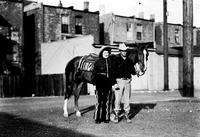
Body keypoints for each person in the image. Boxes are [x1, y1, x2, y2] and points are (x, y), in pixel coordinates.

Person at [112, 43, 136, 123]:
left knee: (127, 99)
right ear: (120, 51)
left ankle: (127, 115)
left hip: (127, 81)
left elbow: (133, 72)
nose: (124, 52)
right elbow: (113, 72)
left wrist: (136, 70)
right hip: (119, 81)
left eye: (125, 51)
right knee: (118, 99)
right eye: (122, 51)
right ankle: (116, 116)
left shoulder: (129, 60)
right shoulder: (116, 59)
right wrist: (114, 83)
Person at [92, 46, 116, 124]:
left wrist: (113, 83)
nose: (106, 54)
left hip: (108, 84)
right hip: (99, 83)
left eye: (107, 53)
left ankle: (105, 117)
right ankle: (97, 118)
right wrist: (95, 81)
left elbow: (112, 74)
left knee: (107, 101)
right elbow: (94, 73)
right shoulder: (98, 62)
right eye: (104, 53)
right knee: (99, 101)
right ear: (102, 53)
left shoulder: (110, 62)